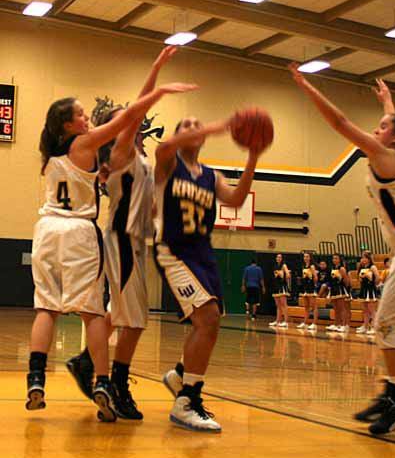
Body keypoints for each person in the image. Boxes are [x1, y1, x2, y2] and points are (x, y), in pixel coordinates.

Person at [27, 76, 195, 422]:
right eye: (80, 114)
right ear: (67, 124)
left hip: (52, 231)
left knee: (54, 308)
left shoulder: (55, 154)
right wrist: (157, 86)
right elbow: (129, 116)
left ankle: (46, 374)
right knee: (106, 315)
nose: (86, 118)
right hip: (98, 236)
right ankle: (107, 380)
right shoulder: (103, 147)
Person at [289, 69, 395, 435]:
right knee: (390, 328)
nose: (375, 131)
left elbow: (341, 122)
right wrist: (388, 102)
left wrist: (307, 87)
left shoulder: (385, 157)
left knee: (387, 327)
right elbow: (394, 128)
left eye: (381, 126)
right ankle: (393, 393)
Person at [66, 46, 177, 419]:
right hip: (120, 239)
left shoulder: (142, 158)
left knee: (123, 313)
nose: (133, 120)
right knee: (136, 319)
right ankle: (116, 382)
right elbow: (136, 113)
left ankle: (86, 362)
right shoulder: (121, 153)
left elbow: (154, 205)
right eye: (125, 119)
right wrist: (157, 68)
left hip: (133, 238)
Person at [155, 112, 271, 433]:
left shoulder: (211, 175)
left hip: (203, 252)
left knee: (212, 320)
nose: (195, 128)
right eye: (187, 124)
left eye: (198, 124)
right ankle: (186, 401)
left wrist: (252, 157)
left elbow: (235, 199)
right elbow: (163, 148)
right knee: (207, 318)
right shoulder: (168, 164)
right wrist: (215, 123)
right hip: (173, 250)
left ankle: (181, 375)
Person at [356, 253, 380, 334]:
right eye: (362, 258)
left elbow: (378, 277)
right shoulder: (362, 267)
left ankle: (375, 327)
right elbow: (359, 279)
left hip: (370, 290)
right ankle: (365, 326)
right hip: (363, 289)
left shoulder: (372, 267)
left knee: (372, 309)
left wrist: (373, 284)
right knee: (365, 309)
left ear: (369, 259)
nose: (363, 259)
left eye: (364, 258)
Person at [326, 254, 351, 334]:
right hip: (334, 289)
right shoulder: (332, 268)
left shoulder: (342, 268)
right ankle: (336, 324)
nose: (334, 260)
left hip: (340, 289)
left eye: (336, 258)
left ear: (340, 260)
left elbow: (347, 281)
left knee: (342, 308)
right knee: (336, 308)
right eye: (333, 258)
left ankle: (344, 325)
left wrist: (341, 279)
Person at [296, 252, 318, 330]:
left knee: (314, 306)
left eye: (307, 256)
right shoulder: (303, 266)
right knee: (306, 306)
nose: (305, 258)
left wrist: (314, 285)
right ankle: (305, 322)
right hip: (305, 287)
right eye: (304, 256)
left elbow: (315, 277)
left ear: (310, 257)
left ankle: (314, 323)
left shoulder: (312, 266)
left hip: (311, 287)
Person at [269, 253, 291, 329]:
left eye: (280, 257)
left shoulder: (284, 265)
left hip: (282, 287)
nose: (278, 258)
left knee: (284, 305)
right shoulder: (275, 266)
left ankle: (286, 322)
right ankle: (278, 320)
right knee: (278, 305)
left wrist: (287, 275)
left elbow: (288, 274)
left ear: (282, 258)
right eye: (277, 257)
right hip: (276, 286)